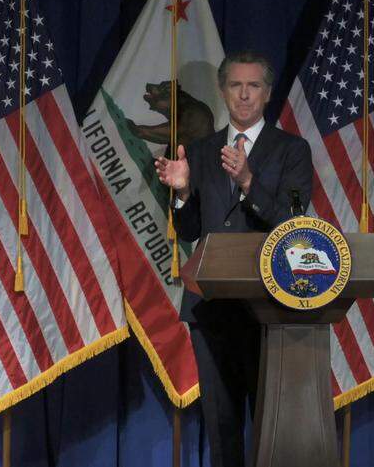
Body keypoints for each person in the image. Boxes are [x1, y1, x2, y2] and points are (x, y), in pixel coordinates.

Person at [155, 50, 313, 467]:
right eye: (236, 86)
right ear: (223, 92)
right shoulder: (201, 150)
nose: (244, 95)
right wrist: (182, 192)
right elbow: (190, 230)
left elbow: (294, 224)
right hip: (209, 307)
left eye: (253, 86)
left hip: (269, 305)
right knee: (221, 424)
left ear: (267, 93)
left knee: (270, 424)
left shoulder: (292, 150)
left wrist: (247, 180)